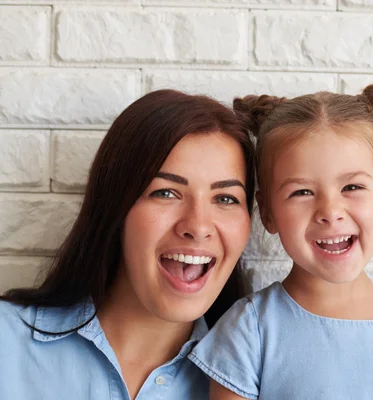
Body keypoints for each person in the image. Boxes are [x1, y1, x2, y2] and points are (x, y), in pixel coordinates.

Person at [189, 85, 373, 399]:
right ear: (267, 212)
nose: (330, 212)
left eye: (352, 187)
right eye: (302, 192)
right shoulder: (248, 329)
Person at [0, 89, 256, 400]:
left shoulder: (261, 379)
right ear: (115, 206)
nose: (198, 226)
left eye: (225, 198)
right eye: (165, 193)